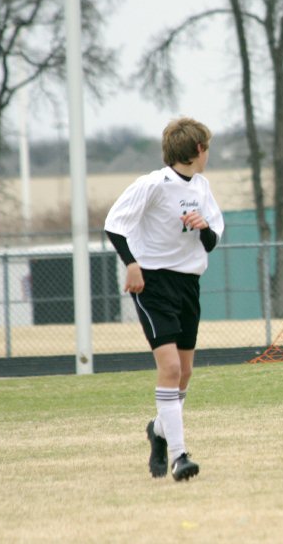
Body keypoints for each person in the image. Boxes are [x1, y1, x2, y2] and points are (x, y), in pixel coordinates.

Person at [104, 117, 225, 479]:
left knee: (184, 372)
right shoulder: (153, 184)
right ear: (198, 149)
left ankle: (158, 431)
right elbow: (115, 224)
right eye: (207, 148)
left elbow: (213, 240)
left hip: (188, 285)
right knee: (170, 369)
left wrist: (203, 227)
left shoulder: (202, 188)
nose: (208, 154)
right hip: (153, 285)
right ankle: (179, 456)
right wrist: (132, 265)